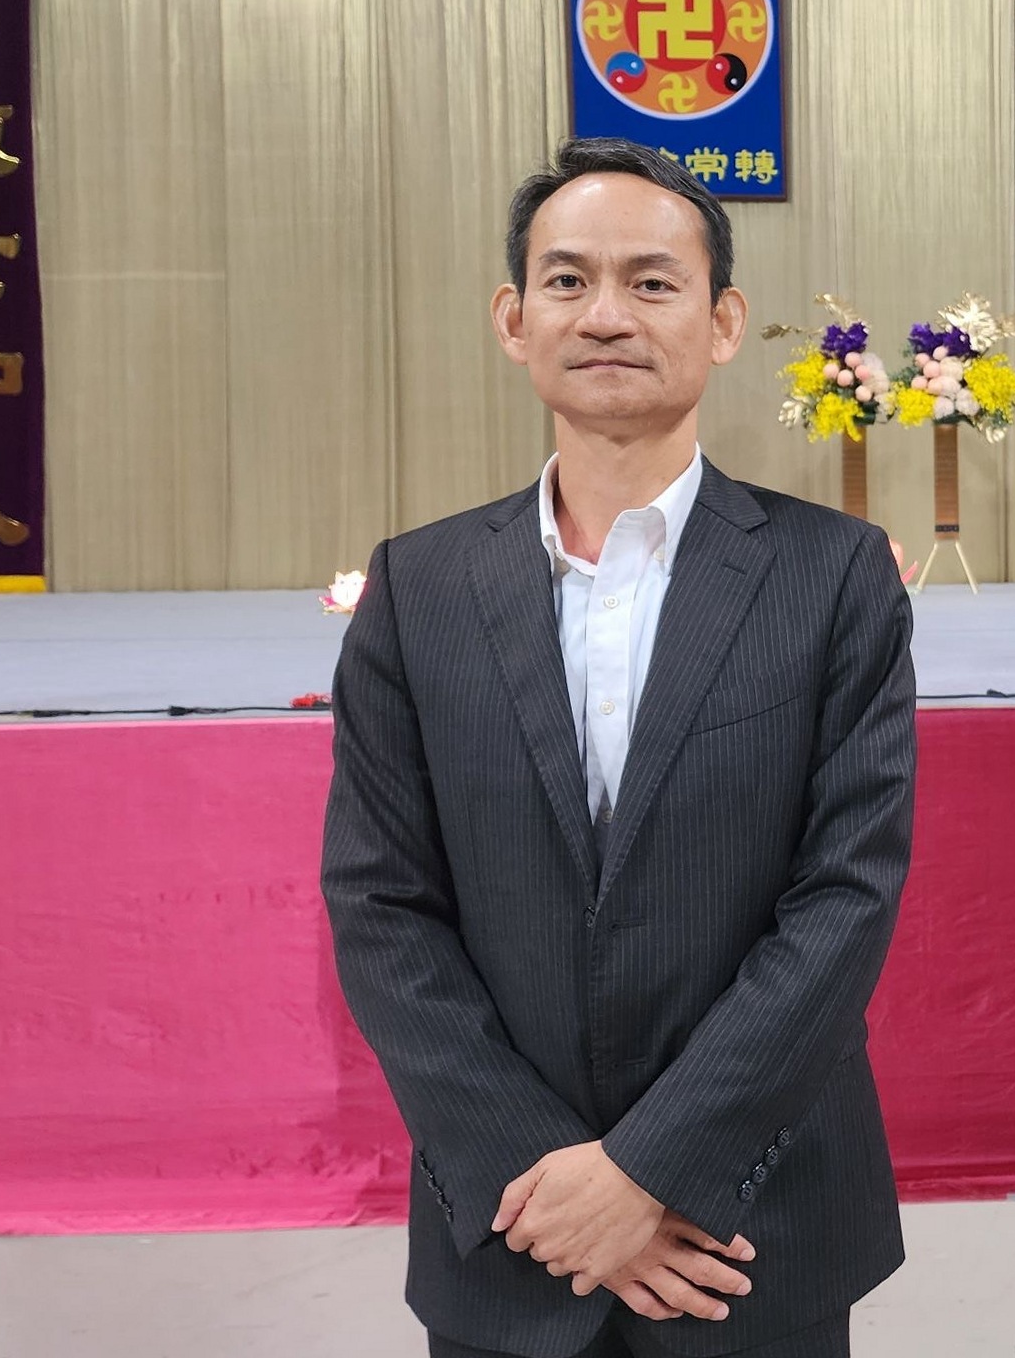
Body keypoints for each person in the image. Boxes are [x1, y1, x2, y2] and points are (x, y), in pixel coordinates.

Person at [321, 136, 916, 1358]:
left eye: (652, 282)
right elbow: (382, 906)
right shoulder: (419, 587)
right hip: (511, 1226)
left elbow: (844, 898)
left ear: (722, 321)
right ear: (513, 318)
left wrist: (651, 1173)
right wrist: (549, 1182)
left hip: (747, 1228)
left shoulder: (833, 576)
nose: (606, 315)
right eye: (567, 279)